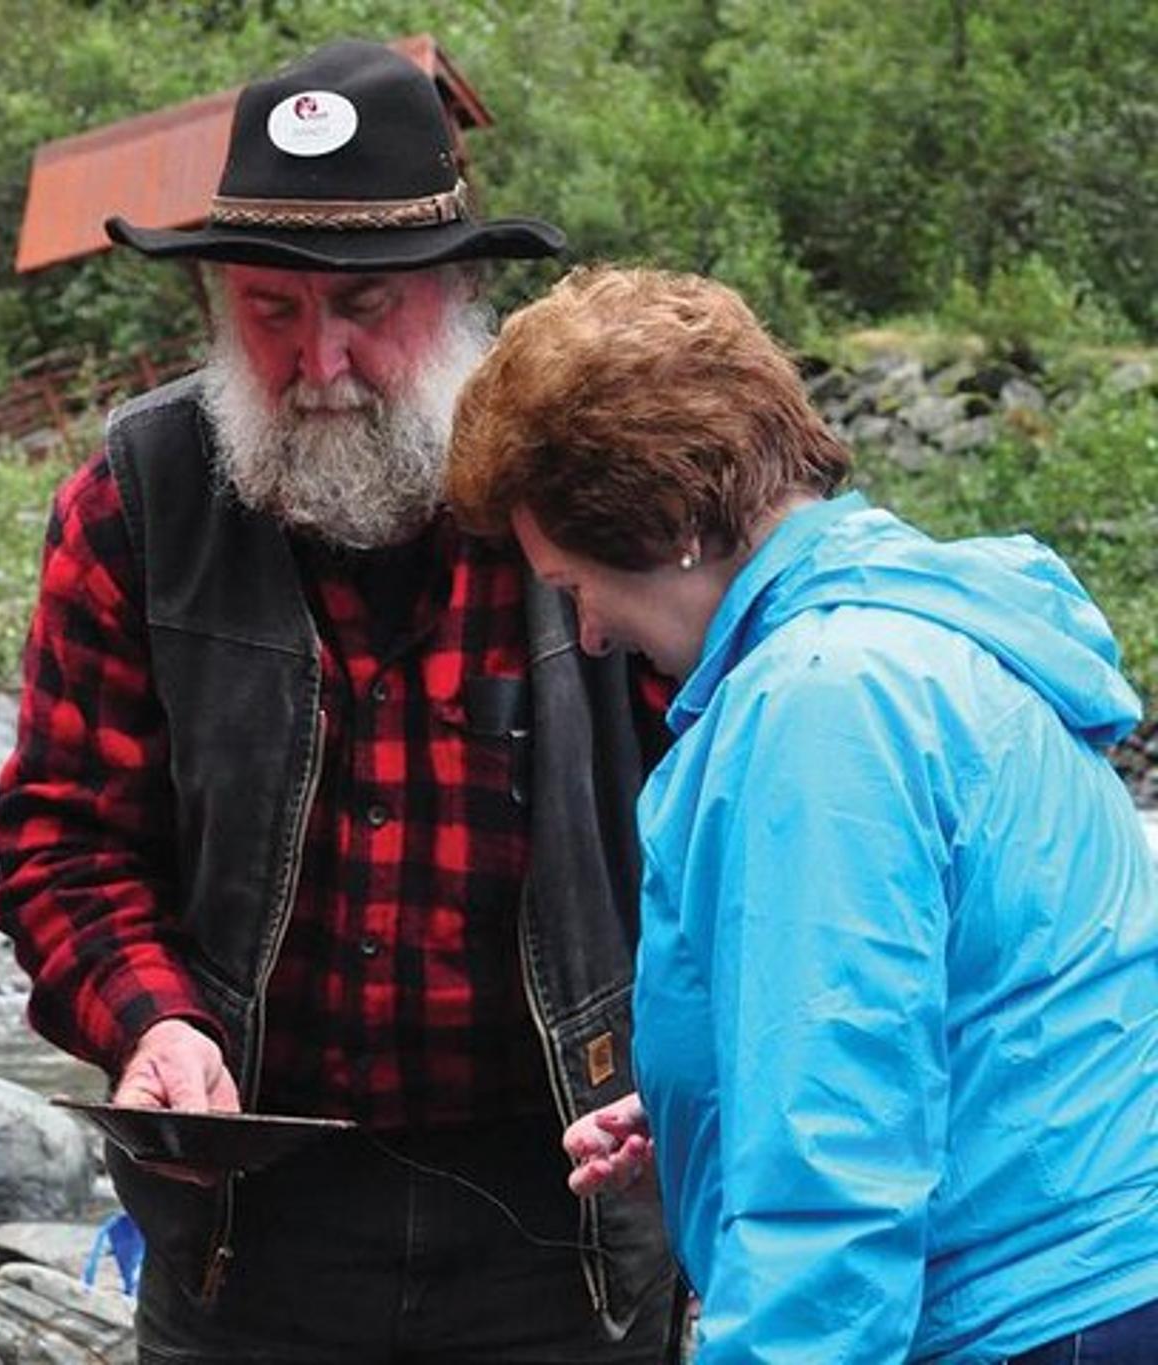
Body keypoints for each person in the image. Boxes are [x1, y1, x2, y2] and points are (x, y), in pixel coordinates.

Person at [0, 40, 673, 1363]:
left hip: (570, 1207)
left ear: (460, 286)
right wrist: (153, 1019)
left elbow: (727, 819)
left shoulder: (585, 489)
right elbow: (64, 838)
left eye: (366, 304)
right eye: (271, 311)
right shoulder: (139, 503)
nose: (321, 360)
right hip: (245, 1219)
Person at [449, 265, 1158, 1361]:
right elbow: (959, 1008)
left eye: (572, 581)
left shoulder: (819, 708)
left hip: (1016, 1319)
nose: (584, 633)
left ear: (665, 525)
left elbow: (832, 1191)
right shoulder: (930, 631)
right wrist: (709, 1100)